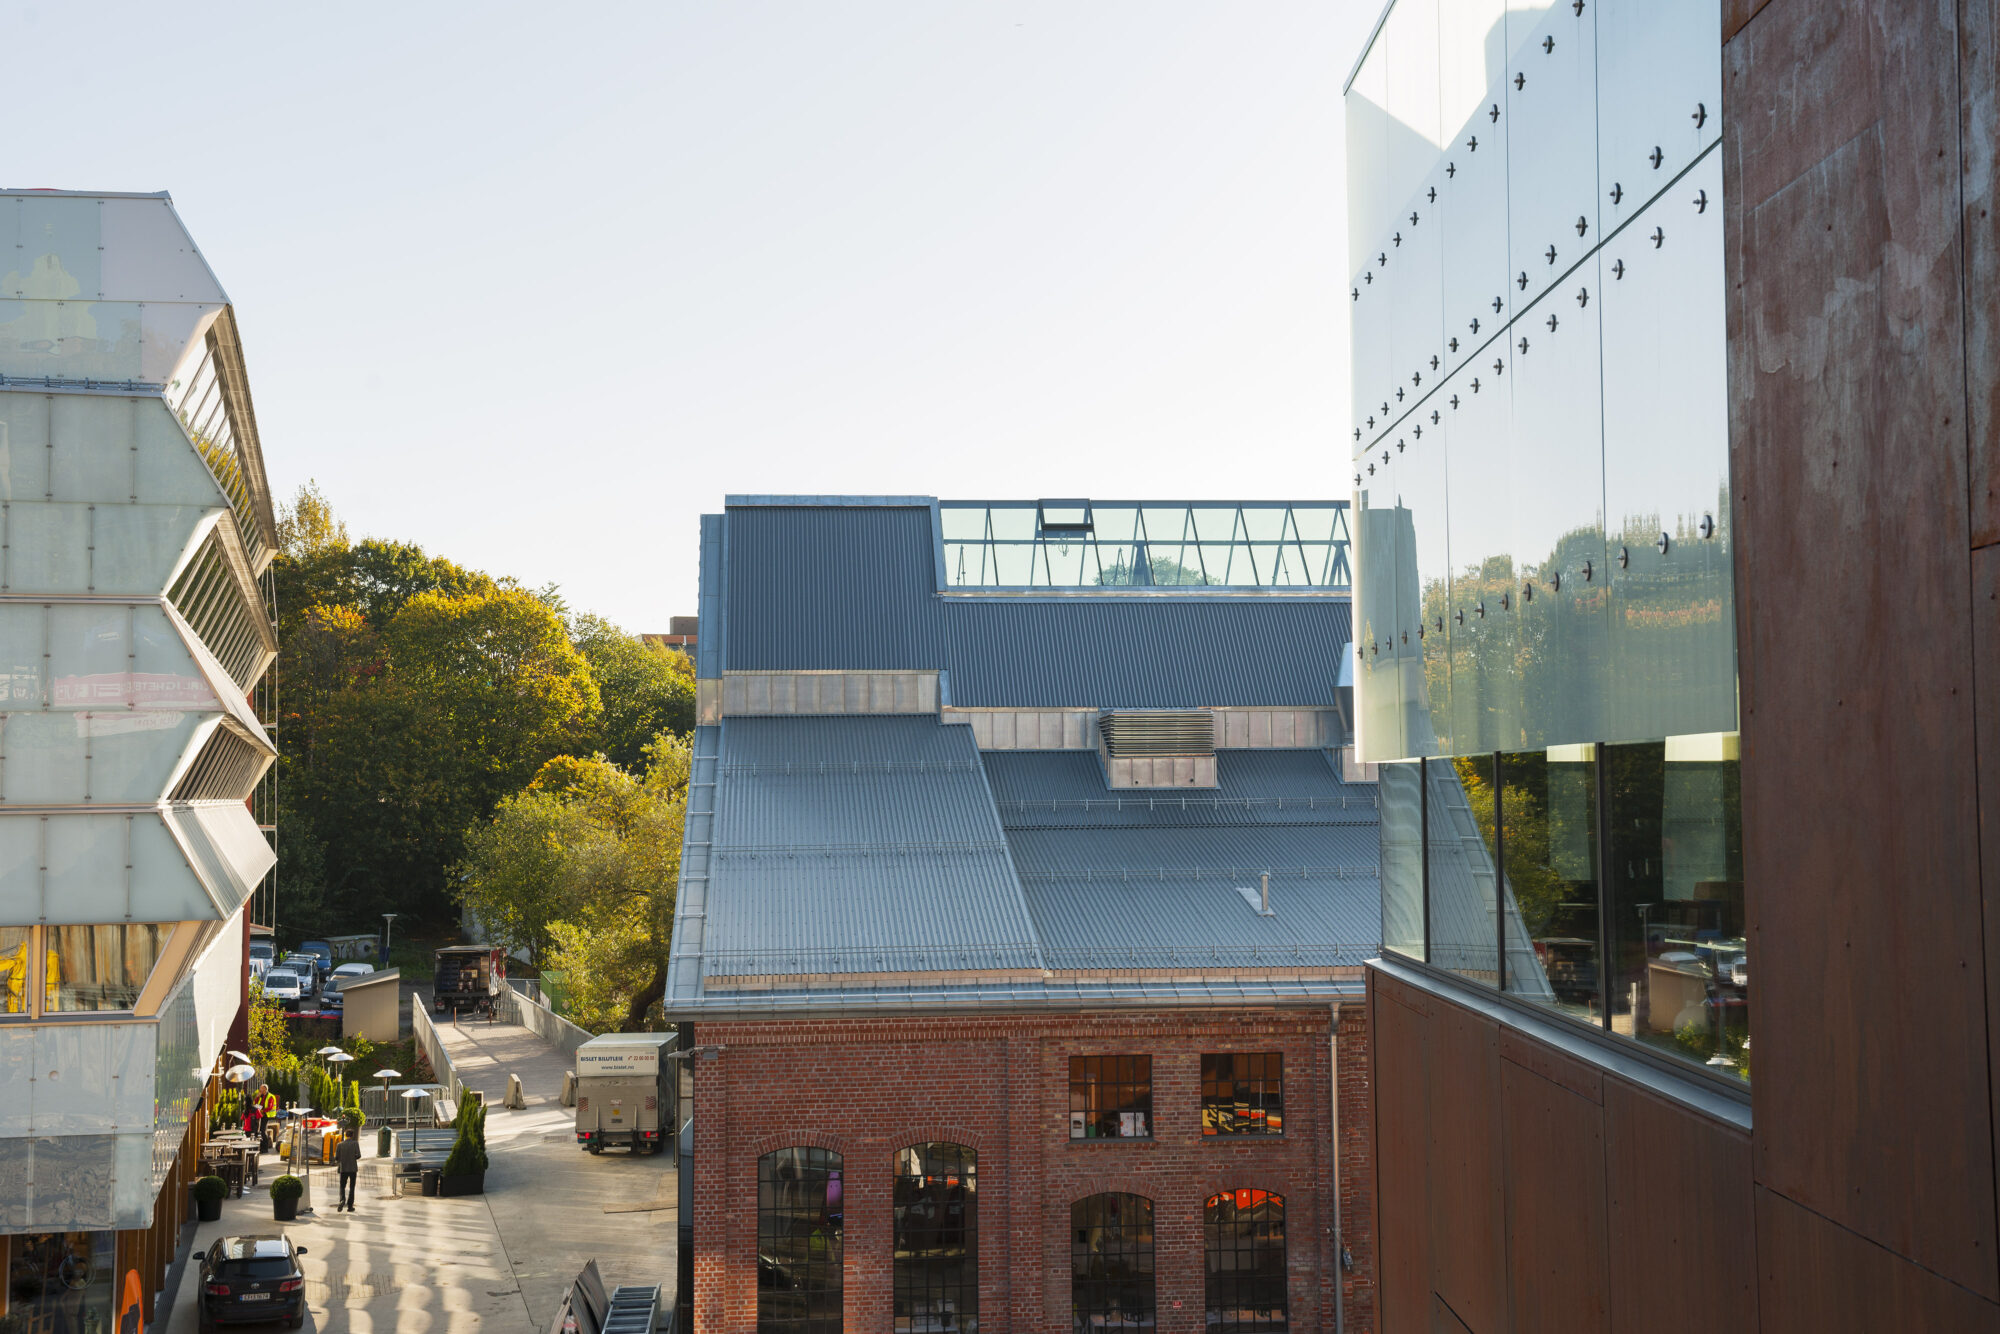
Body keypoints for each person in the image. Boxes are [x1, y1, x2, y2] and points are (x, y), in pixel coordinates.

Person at [335, 1131, 361, 1212]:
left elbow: (336, 1157)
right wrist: (353, 1158)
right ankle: (350, 1206)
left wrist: (342, 1159)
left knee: (342, 1186)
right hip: (352, 1168)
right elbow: (358, 1155)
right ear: (352, 1135)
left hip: (343, 1168)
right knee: (352, 1187)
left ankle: (342, 1200)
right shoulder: (355, 1143)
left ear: (345, 1135)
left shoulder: (339, 1144)